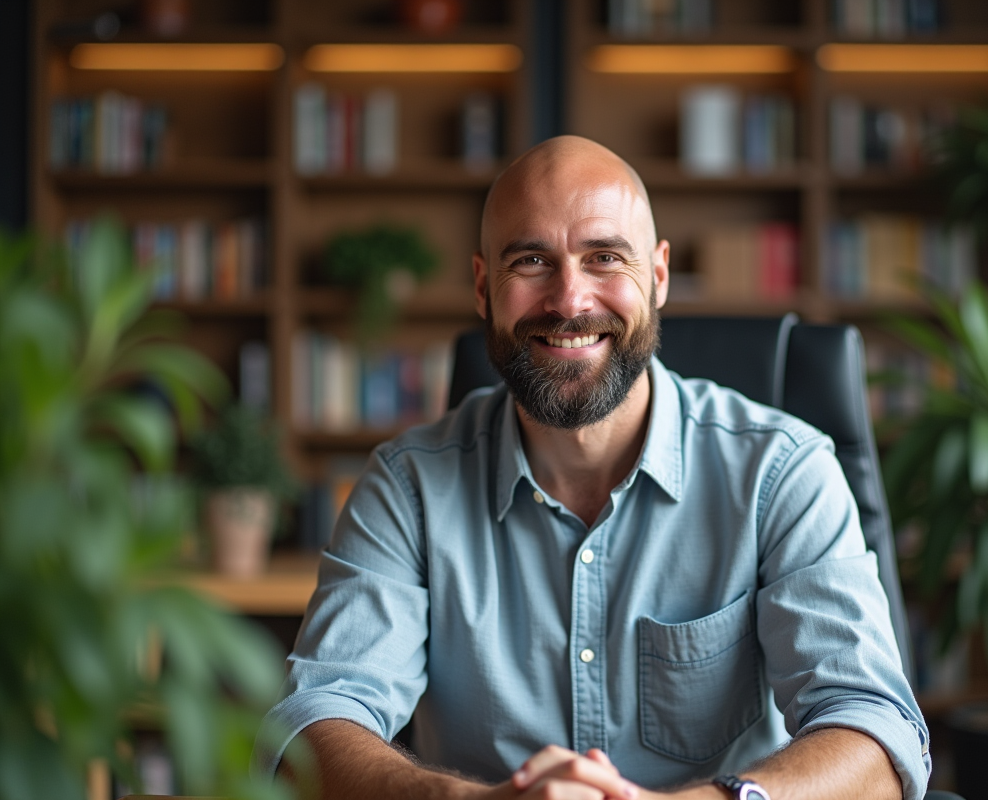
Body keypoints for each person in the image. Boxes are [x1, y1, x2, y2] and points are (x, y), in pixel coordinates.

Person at [255, 136, 930, 800]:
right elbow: (311, 719)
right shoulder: (407, 488)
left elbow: (875, 730)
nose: (570, 299)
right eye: (530, 262)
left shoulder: (782, 472)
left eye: (604, 257)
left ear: (657, 277)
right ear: (484, 287)